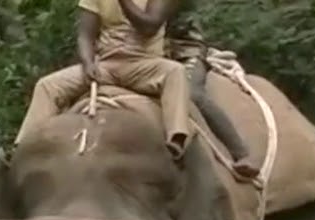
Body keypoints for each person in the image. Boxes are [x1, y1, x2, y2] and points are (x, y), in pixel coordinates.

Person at [11, 0, 190, 160]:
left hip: (143, 64)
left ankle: (176, 138)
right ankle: (21, 149)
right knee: (47, 86)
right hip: (106, 64)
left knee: (176, 72)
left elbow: (149, 27)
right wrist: (88, 62)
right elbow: (85, 35)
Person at [166, 5, 259, 179]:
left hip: (183, 50)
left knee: (191, 91)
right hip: (134, 53)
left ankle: (242, 153)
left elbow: (150, 22)